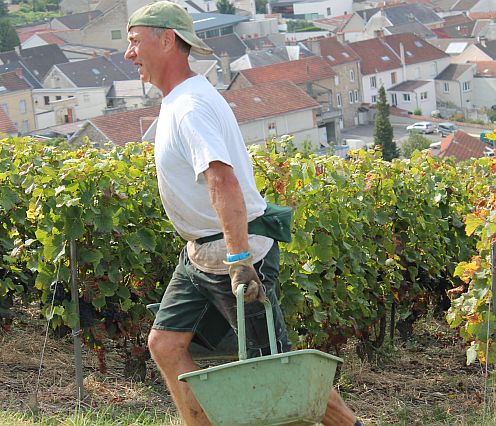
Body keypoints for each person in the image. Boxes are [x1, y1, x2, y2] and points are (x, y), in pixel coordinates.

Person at [124, 2, 363, 425]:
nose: (130, 54)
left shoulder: (190, 107)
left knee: (276, 367)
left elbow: (223, 181)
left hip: (230, 253)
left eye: (135, 42)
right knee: (165, 344)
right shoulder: (179, 100)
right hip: (202, 253)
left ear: (167, 40)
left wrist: (239, 262)